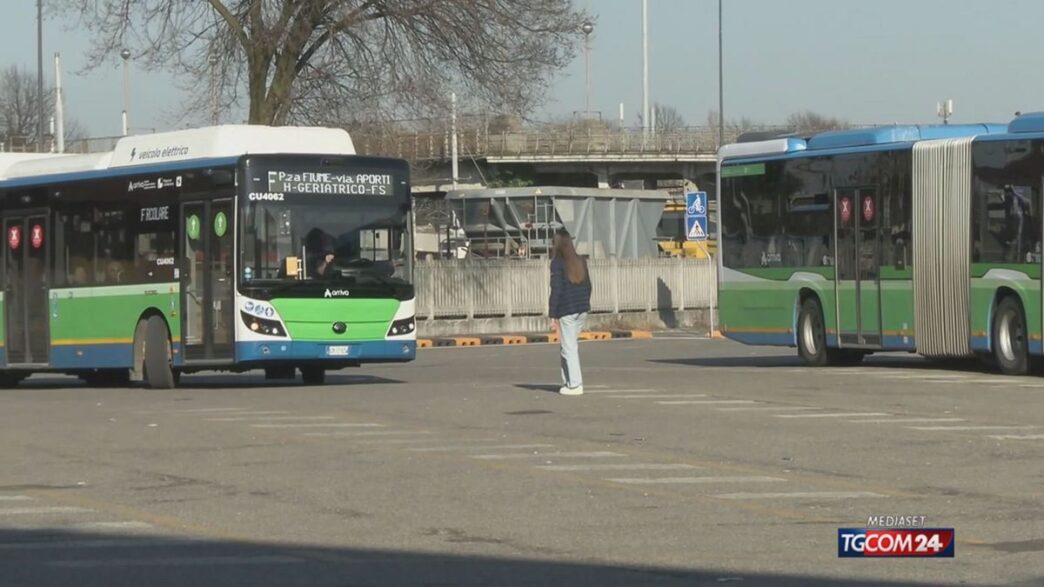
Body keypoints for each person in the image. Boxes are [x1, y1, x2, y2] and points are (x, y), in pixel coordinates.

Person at [548, 228, 592, 396]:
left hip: (567, 309)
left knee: (569, 348)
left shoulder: (558, 263)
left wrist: (553, 313)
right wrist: (586, 303)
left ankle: (575, 384)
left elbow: (556, 289)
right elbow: (588, 286)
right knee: (568, 346)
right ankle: (567, 381)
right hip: (581, 309)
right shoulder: (580, 261)